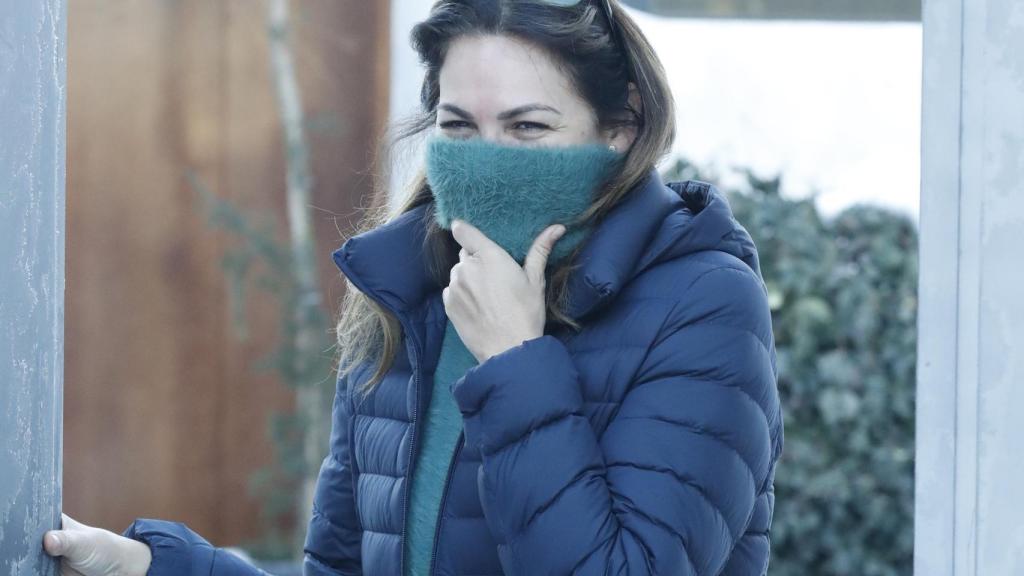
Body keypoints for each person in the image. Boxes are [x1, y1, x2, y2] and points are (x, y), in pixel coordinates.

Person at [43, 0, 784, 574]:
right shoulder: (408, 295)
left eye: (528, 128)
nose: (488, 163)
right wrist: (151, 565)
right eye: (459, 127)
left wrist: (514, 362)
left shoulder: (700, 303)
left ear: (620, 126)